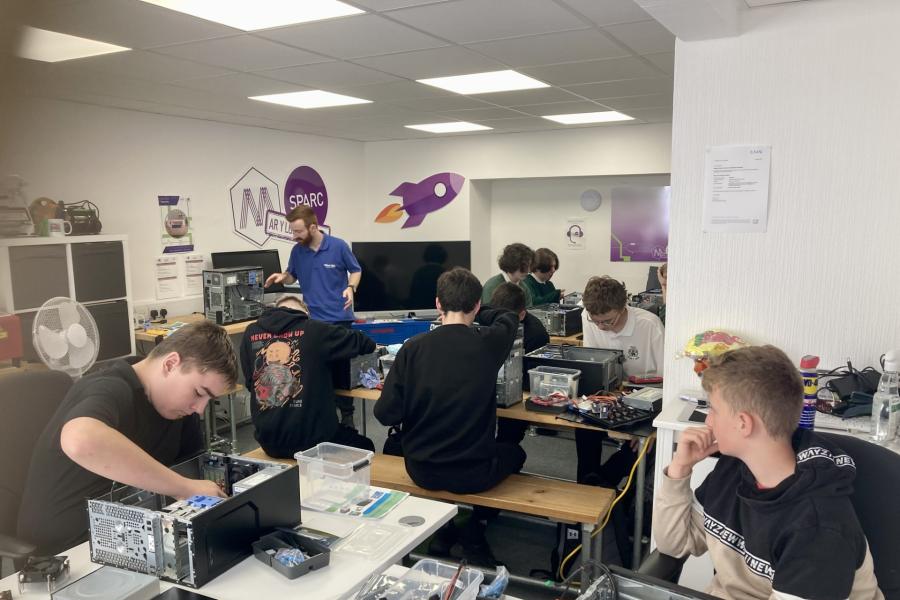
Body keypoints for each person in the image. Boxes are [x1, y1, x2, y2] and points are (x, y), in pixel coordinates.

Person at [655, 345, 883, 599]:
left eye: (714, 410)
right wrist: (680, 469)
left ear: (743, 423)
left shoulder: (816, 526)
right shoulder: (734, 469)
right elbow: (674, 545)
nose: (708, 421)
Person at [17, 321, 238, 555]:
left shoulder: (181, 411)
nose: (199, 409)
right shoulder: (109, 388)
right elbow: (80, 440)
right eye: (198, 393)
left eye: (208, 400)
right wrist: (184, 488)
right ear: (171, 364)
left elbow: (193, 471)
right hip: (65, 549)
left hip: (131, 535)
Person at [374, 267, 524, 566]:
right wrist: (485, 312)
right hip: (474, 473)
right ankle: (472, 524)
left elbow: (385, 413)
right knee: (516, 453)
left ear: (438, 304)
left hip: (422, 468)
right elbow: (508, 317)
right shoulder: (489, 342)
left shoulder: (412, 349)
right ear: (477, 305)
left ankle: (451, 527)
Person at [239, 295, 376, 458]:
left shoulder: (250, 333)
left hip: (269, 442)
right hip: (313, 442)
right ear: (304, 312)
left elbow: (250, 383)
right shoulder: (315, 329)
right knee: (365, 446)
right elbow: (366, 343)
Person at [265, 204, 361, 428]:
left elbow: (356, 270)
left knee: (342, 372)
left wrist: (350, 287)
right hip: (313, 322)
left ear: (314, 227)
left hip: (340, 319)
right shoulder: (298, 251)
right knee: (317, 373)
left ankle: (347, 418)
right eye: (293, 231)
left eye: (298, 231)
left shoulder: (338, 246)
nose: (294, 236)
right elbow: (291, 276)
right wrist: (282, 277)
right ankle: (324, 419)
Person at [576, 276, 664, 482]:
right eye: (595, 320)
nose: (601, 326)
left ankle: (601, 484)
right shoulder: (588, 318)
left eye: (607, 320)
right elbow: (593, 364)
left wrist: (653, 429)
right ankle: (586, 487)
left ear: (624, 306)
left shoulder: (649, 326)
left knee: (640, 446)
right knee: (584, 429)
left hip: (648, 398)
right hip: (610, 394)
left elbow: (667, 381)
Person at [489, 282, 550, 445]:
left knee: (508, 439)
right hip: (488, 389)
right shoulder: (488, 317)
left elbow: (530, 382)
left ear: (522, 314)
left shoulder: (536, 334)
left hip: (519, 393)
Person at [481, 243, 535, 308]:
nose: (528, 271)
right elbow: (489, 314)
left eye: (529, 266)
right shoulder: (492, 286)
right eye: (524, 267)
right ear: (513, 264)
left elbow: (528, 311)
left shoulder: (524, 287)